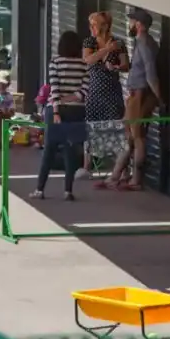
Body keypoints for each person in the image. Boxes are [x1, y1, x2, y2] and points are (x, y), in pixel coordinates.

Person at [32, 30, 89, 201]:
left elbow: (54, 88)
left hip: (56, 110)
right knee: (70, 150)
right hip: (77, 110)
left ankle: (40, 190)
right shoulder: (84, 64)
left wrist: (56, 109)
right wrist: (71, 98)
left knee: (49, 149)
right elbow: (84, 91)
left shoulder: (55, 62)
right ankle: (68, 191)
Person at [110, 9, 163, 190]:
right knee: (130, 136)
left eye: (132, 22)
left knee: (137, 137)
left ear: (139, 25)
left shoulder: (145, 45)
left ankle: (135, 180)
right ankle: (118, 175)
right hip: (135, 95)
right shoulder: (143, 43)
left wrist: (159, 97)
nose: (129, 25)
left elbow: (150, 74)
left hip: (140, 94)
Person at [82, 12, 130, 190]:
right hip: (94, 90)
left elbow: (126, 65)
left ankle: (122, 169)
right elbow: (88, 60)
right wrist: (107, 50)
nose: (92, 28)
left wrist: (117, 66)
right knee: (92, 125)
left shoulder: (119, 43)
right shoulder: (90, 42)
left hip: (112, 90)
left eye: (94, 25)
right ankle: (87, 165)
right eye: (91, 25)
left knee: (117, 126)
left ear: (104, 26)